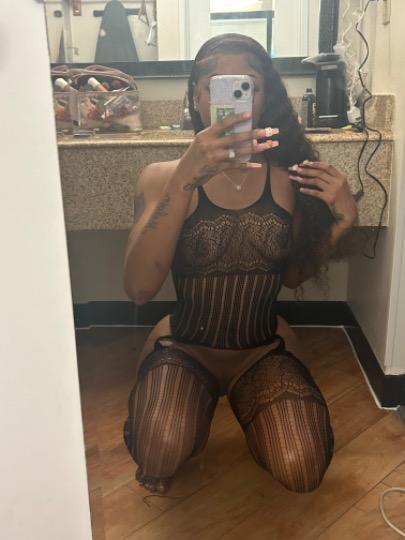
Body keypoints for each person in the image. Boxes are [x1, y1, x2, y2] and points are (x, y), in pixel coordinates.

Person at [122, 34, 358, 495]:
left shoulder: (289, 178)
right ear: (196, 95)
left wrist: (342, 222)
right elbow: (138, 290)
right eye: (215, 84)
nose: (230, 97)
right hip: (186, 346)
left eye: (247, 84)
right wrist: (184, 179)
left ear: (264, 97)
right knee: (158, 454)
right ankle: (189, 408)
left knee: (302, 468)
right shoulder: (160, 177)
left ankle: (243, 408)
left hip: (259, 349)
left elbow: (292, 276)